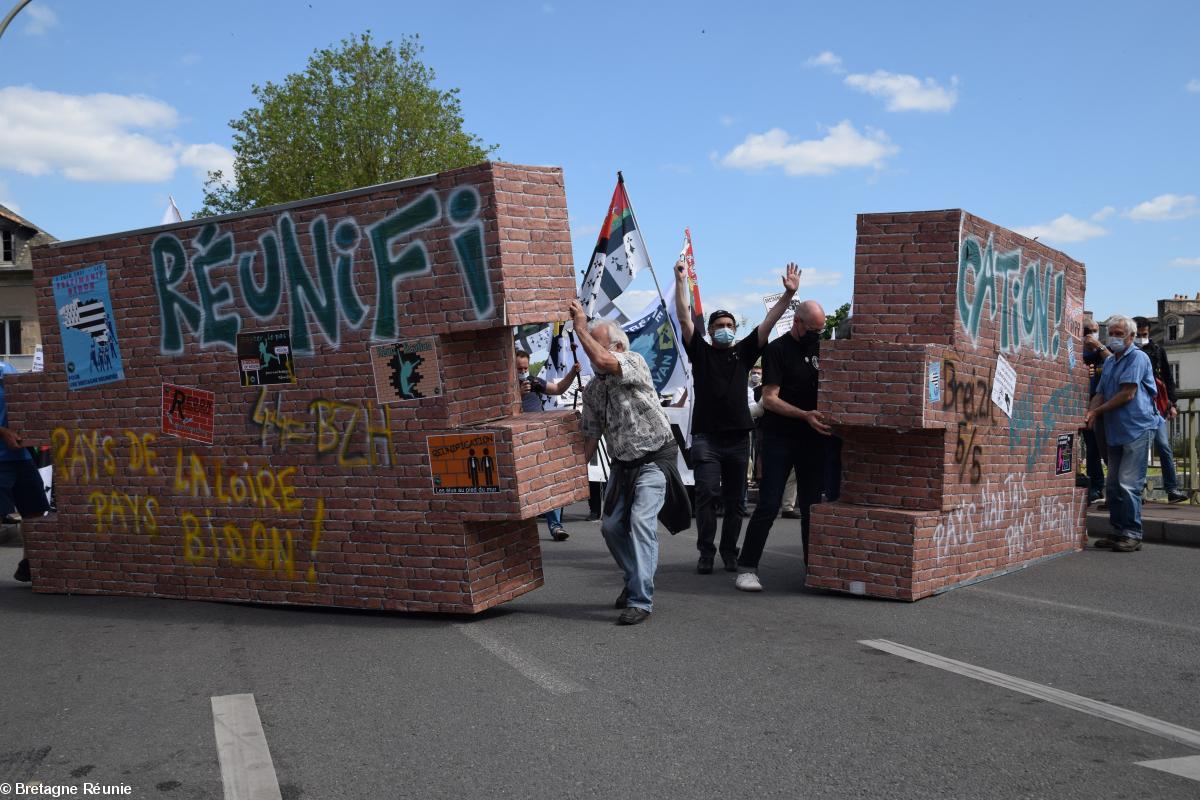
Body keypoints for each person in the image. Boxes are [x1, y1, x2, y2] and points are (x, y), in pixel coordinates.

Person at [674, 259, 800, 574]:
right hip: (706, 439)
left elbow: (769, 322)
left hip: (738, 440)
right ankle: (706, 552)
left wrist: (787, 296)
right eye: (719, 326)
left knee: (736, 502)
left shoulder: (743, 352)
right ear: (711, 330)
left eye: (730, 326)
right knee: (706, 494)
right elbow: (683, 317)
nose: (725, 330)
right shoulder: (700, 352)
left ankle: (729, 551)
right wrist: (680, 281)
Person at [570, 299, 689, 625]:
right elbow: (591, 438)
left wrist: (580, 327)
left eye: (596, 341)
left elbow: (604, 359)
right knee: (610, 528)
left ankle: (640, 599)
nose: (589, 350)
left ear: (618, 346)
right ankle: (635, 577)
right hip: (623, 465)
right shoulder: (594, 390)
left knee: (640, 521)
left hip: (654, 458)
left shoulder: (633, 361)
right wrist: (570, 481)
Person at [735, 300, 830, 590]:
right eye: (813, 329)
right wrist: (804, 415)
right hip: (780, 437)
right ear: (797, 322)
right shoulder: (777, 350)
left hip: (813, 438)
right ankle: (747, 567)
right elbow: (770, 399)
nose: (817, 334)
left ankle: (812, 569)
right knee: (769, 504)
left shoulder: (822, 350)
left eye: (821, 329)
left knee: (812, 506)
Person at [1084, 314, 1160, 552]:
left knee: (1128, 483)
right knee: (1114, 483)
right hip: (1115, 430)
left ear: (1131, 337)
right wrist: (1090, 412)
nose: (1114, 338)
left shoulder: (1137, 358)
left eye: (1120, 334)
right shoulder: (1109, 362)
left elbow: (1127, 394)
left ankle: (1132, 533)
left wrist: (1098, 412)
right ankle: (1118, 531)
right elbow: (1101, 392)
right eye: (1112, 333)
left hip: (1136, 427)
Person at [515, 349, 582, 540]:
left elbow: (558, 389)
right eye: (520, 368)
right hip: (519, 440)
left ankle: (556, 525)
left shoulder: (534, 382)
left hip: (540, 436)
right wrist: (517, 394)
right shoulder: (506, 386)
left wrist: (572, 372)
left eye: (526, 367)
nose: (523, 371)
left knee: (551, 477)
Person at [0, 360, 51, 583]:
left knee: (34, 511)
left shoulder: (8, 368)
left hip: (21, 456)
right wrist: (3, 432)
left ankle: (29, 564)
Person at [1133, 316, 1187, 504]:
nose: (1141, 338)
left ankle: (1171, 488)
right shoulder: (1128, 352)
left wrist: (1172, 403)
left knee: (1164, 447)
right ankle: (1137, 491)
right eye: (1138, 335)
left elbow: (1167, 378)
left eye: (1144, 334)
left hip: (1156, 406)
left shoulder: (1157, 350)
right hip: (1135, 407)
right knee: (1140, 450)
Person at [1081, 318, 1110, 504]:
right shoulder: (1078, 352)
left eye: (1095, 330)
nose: (1091, 334)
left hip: (1104, 407)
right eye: (1087, 331)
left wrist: (1098, 347)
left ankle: (1119, 489)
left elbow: (1113, 362)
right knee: (1091, 449)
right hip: (1086, 406)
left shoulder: (1105, 351)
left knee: (1108, 449)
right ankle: (1096, 487)